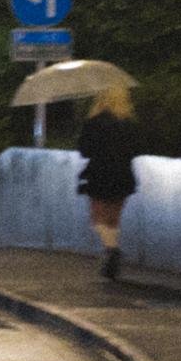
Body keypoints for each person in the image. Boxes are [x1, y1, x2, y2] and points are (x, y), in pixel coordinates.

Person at [76, 85, 140, 280]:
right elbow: (136, 148)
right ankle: (110, 255)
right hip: (123, 173)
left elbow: (84, 150)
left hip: (100, 173)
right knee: (113, 218)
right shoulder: (128, 122)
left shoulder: (94, 122)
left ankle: (112, 250)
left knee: (97, 218)